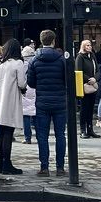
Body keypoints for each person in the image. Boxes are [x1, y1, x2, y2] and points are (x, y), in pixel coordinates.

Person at [26, 29, 67, 178]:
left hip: (42, 102)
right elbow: (67, 79)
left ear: (41, 41)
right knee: (60, 135)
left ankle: (44, 168)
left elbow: (31, 82)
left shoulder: (34, 60)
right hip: (60, 102)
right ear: (54, 41)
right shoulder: (61, 59)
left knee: (42, 136)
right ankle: (60, 168)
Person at [0, 39, 27, 174]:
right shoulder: (18, 63)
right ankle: (7, 164)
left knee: (0, 133)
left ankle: (0, 164)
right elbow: (21, 83)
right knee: (8, 132)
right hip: (10, 101)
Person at [75, 39, 99, 139]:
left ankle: (90, 129)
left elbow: (98, 70)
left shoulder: (92, 56)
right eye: (87, 45)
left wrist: (95, 78)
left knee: (91, 108)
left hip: (93, 85)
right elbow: (78, 71)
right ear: (83, 47)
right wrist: (89, 79)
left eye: (90, 45)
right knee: (84, 108)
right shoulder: (80, 57)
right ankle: (82, 130)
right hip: (84, 85)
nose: (89, 47)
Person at [21, 42, 37, 143]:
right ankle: (39, 136)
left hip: (25, 89)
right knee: (35, 114)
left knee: (25, 115)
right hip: (35, 88)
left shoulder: (22, 65)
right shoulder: (36, 63)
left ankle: (28, 137)